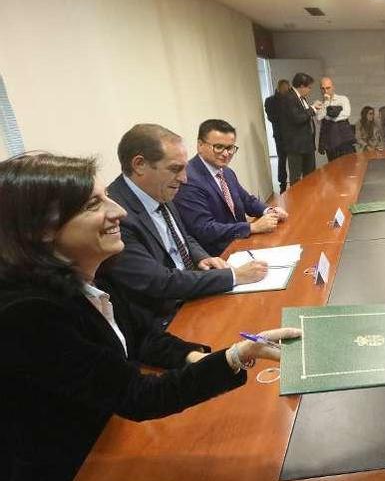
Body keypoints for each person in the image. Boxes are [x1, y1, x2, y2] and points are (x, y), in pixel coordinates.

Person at [0, 153, 301, 481]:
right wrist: (236, 355)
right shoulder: (26, 313)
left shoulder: (90, 270)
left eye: (108, 198)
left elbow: (144, 338)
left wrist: (193, 356)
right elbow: (138, 396)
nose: (119, 212)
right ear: (41, 229)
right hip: (74, 469)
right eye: (92, 205)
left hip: (111, 440)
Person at [99, 124, 267, 330]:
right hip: (166, 318)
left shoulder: (160, 188)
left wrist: (201, 257)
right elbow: (157, 281)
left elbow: (183, 235)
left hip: (192, 291)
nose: (184, 178)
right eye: (175, 169)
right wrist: (234, 276)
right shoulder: (118, 215)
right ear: (139, 165)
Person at [173, 119, 289, 257]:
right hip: (217, 254)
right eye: (218, 147)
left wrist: (269, 211)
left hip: (241, 242)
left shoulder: (226, 171)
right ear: (200, 145)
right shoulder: (188, 178)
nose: (226, 153)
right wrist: (251, 227)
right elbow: (204, 229)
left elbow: (246, 200)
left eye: (230, 148)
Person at [279, 72, 318, 185]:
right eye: (309, 87)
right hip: (296, 146)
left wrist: (313, 109)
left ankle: (310, 200)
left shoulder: (302, 98)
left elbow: (305, 114)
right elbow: (297, 118)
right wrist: (313, 109)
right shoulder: (289, 97)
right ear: (301, 86)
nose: (310, 90)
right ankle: (297, 201)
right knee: (296, 178)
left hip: (307, 144)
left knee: (310, 175)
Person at [316, 77, 356, 160]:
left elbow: (346, 114)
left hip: (344, 140)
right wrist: (326, 103)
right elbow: (319, 118)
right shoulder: (320, 103)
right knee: (333, 169)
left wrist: (329, 117)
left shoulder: (342, 99)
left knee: (349, 166)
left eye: (328, 88)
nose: (325, 91)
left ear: (333, 87)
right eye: (323, 89)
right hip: (330, 142)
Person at [264, 78, 292, 192]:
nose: (286, 91)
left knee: (294, 161)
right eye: (284, 89)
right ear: (279, 88)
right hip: (280, 135)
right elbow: (272, 117)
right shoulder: (270, 101)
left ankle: (295, 183)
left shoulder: (291, 99)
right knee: (282, 160)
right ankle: (282, 185)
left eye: (288, 89)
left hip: (293, 136)